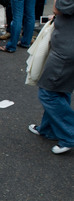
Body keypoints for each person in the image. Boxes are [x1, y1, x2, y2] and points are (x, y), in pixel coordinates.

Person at [28, 0, 74, 155]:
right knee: (60, 89)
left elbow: (57, 8)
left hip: (66, 51)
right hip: (67, 46)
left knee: (48, 93)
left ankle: (69, 134)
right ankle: (48, 129)